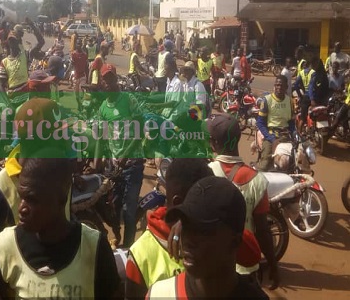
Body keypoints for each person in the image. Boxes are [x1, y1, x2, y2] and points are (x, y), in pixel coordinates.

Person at [0, 149, 121, 299]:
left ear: (60, 201)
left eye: (32, 200)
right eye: (22, 197)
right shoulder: (7, 244)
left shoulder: (93, 248)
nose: (21, 208)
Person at [126, 158, 262, 300]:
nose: (190, 239)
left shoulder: (218, 235)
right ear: (180, 202)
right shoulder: (141, 253)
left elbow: (252, 255)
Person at [0, 98, 73, 255]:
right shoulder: (0, 192)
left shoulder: (59, 177)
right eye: (59, 139)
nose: (66, 143)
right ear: (35, 143)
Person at [206, 113, 279, 288]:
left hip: (212, 265)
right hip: (245, 267)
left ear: (214, 144)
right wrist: (273, 264)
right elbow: (262, 230)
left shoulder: (205, 174)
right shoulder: (257, 180)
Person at [96, 64, 144, 247]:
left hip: (133, 162)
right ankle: (117, 235)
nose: (108, 83)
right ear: (102, 82)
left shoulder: (129, 99)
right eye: (105, 79)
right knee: (113, 208)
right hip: (114, 166)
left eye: (111, 78)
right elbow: (101, 136)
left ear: (117, 80)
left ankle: (129, 246)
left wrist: (126, 155)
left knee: (128, 210)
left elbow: (139, 131)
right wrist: (97, 160)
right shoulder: (103, 108)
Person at [257, 75, 295, 171]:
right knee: (265, 164)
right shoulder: (267, 100)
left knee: (297, 159)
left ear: (286, 87)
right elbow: (260, 123)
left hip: (286, 135)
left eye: (281, 85)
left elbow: (291, 122)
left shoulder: (290, 101)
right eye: (277, 85)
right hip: (271, 135)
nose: (279, 88)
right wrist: (271, 138)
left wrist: (294, 134)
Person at [71, 40, 88, 109]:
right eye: (78, 44)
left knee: (82, 91)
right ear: (76, 45)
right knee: (76, 94)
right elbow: (72, 64)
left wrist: (88, 77)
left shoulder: (84, 55)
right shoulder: (73, 54)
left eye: (80, 44)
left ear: (81, 45)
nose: (79, 45)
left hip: (83, 76)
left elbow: (86, 67)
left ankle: (82, 104)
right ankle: (79, 104)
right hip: (76, 76)